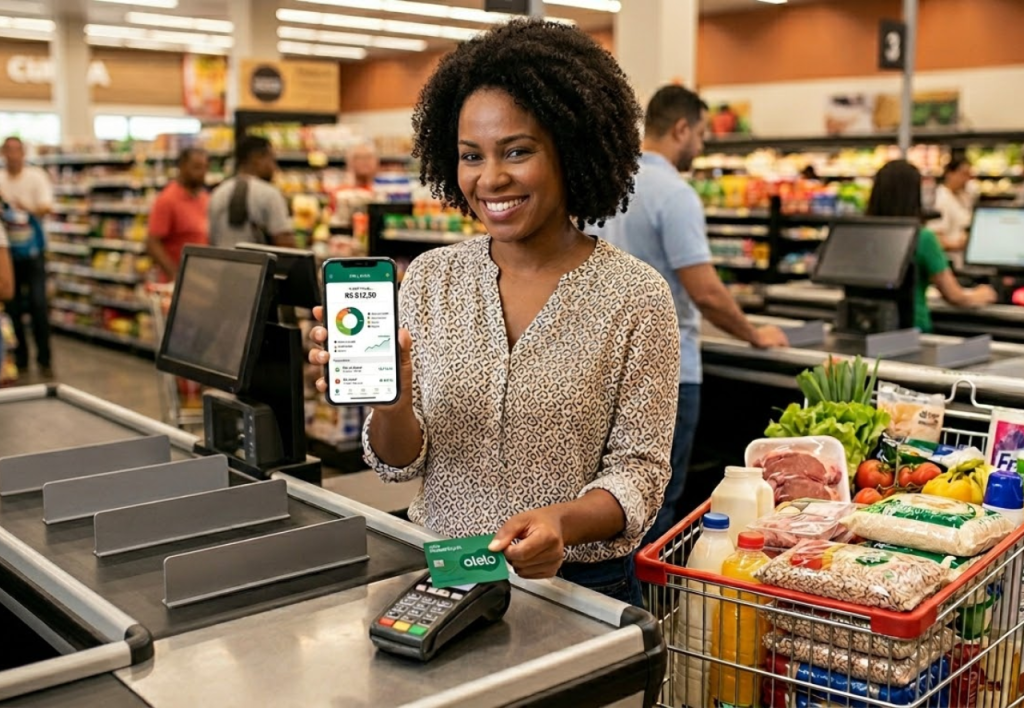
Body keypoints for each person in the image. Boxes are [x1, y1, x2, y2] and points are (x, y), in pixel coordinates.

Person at [309, 19, 678, 605]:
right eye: (470, 156)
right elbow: (399, 464)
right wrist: (394, 402)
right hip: (443, 572)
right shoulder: (431, 279)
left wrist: (563, 522)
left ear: (570, 150)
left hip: (578, 587)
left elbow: (640, 473)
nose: (491, 178)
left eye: (518, 151)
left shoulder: (636, 296)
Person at [593, 85, 789, 547]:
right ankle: (650, 609)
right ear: (680, 128)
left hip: (604, 366)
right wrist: (754, 333)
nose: (701, 147)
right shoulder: (675, 194)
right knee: (658, 503)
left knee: (612, 502)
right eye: (700, 134)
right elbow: (705, 290)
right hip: (668, 372)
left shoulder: (607, 185)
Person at [867, 160, 995, 332]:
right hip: (913, 332)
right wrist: (982, 294)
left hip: (868, 327)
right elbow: (954, 296)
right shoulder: (923, 238)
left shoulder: (862, 234)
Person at [0, 136, 54, 377]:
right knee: (11, 308)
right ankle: (20, 358)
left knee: (38, 305)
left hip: (33, 253)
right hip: (8, 253)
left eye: (16, 150)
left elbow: (46, 207)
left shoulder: (36, 177)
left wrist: (24, 207)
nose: (12, 155)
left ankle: (44, 360)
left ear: (23, 152)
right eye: (8, 150)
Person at [208, 136, 293, 248]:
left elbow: (212, 239)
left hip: (222, 263)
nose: (274, 167)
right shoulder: (270, 194)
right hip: (258, 264)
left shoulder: (218, 193)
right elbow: (285, 244)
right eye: (271, 159)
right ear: (256, 158)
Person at [147, 147, 210, 279]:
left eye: (205, 167)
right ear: (182, 167)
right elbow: (153, 243)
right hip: (178, 282)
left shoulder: (205, 198)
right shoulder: (167, 200)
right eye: (197, 167)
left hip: (201, 278)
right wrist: (174, 275)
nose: (202, 172)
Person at [930, 157, 974, 265]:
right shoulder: (941, 199)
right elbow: (935, 240)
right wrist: (960, 244)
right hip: (949, 262)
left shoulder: (964, 196)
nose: (966, 179)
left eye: (969, 175)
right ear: (950, 174)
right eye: (963, 174)